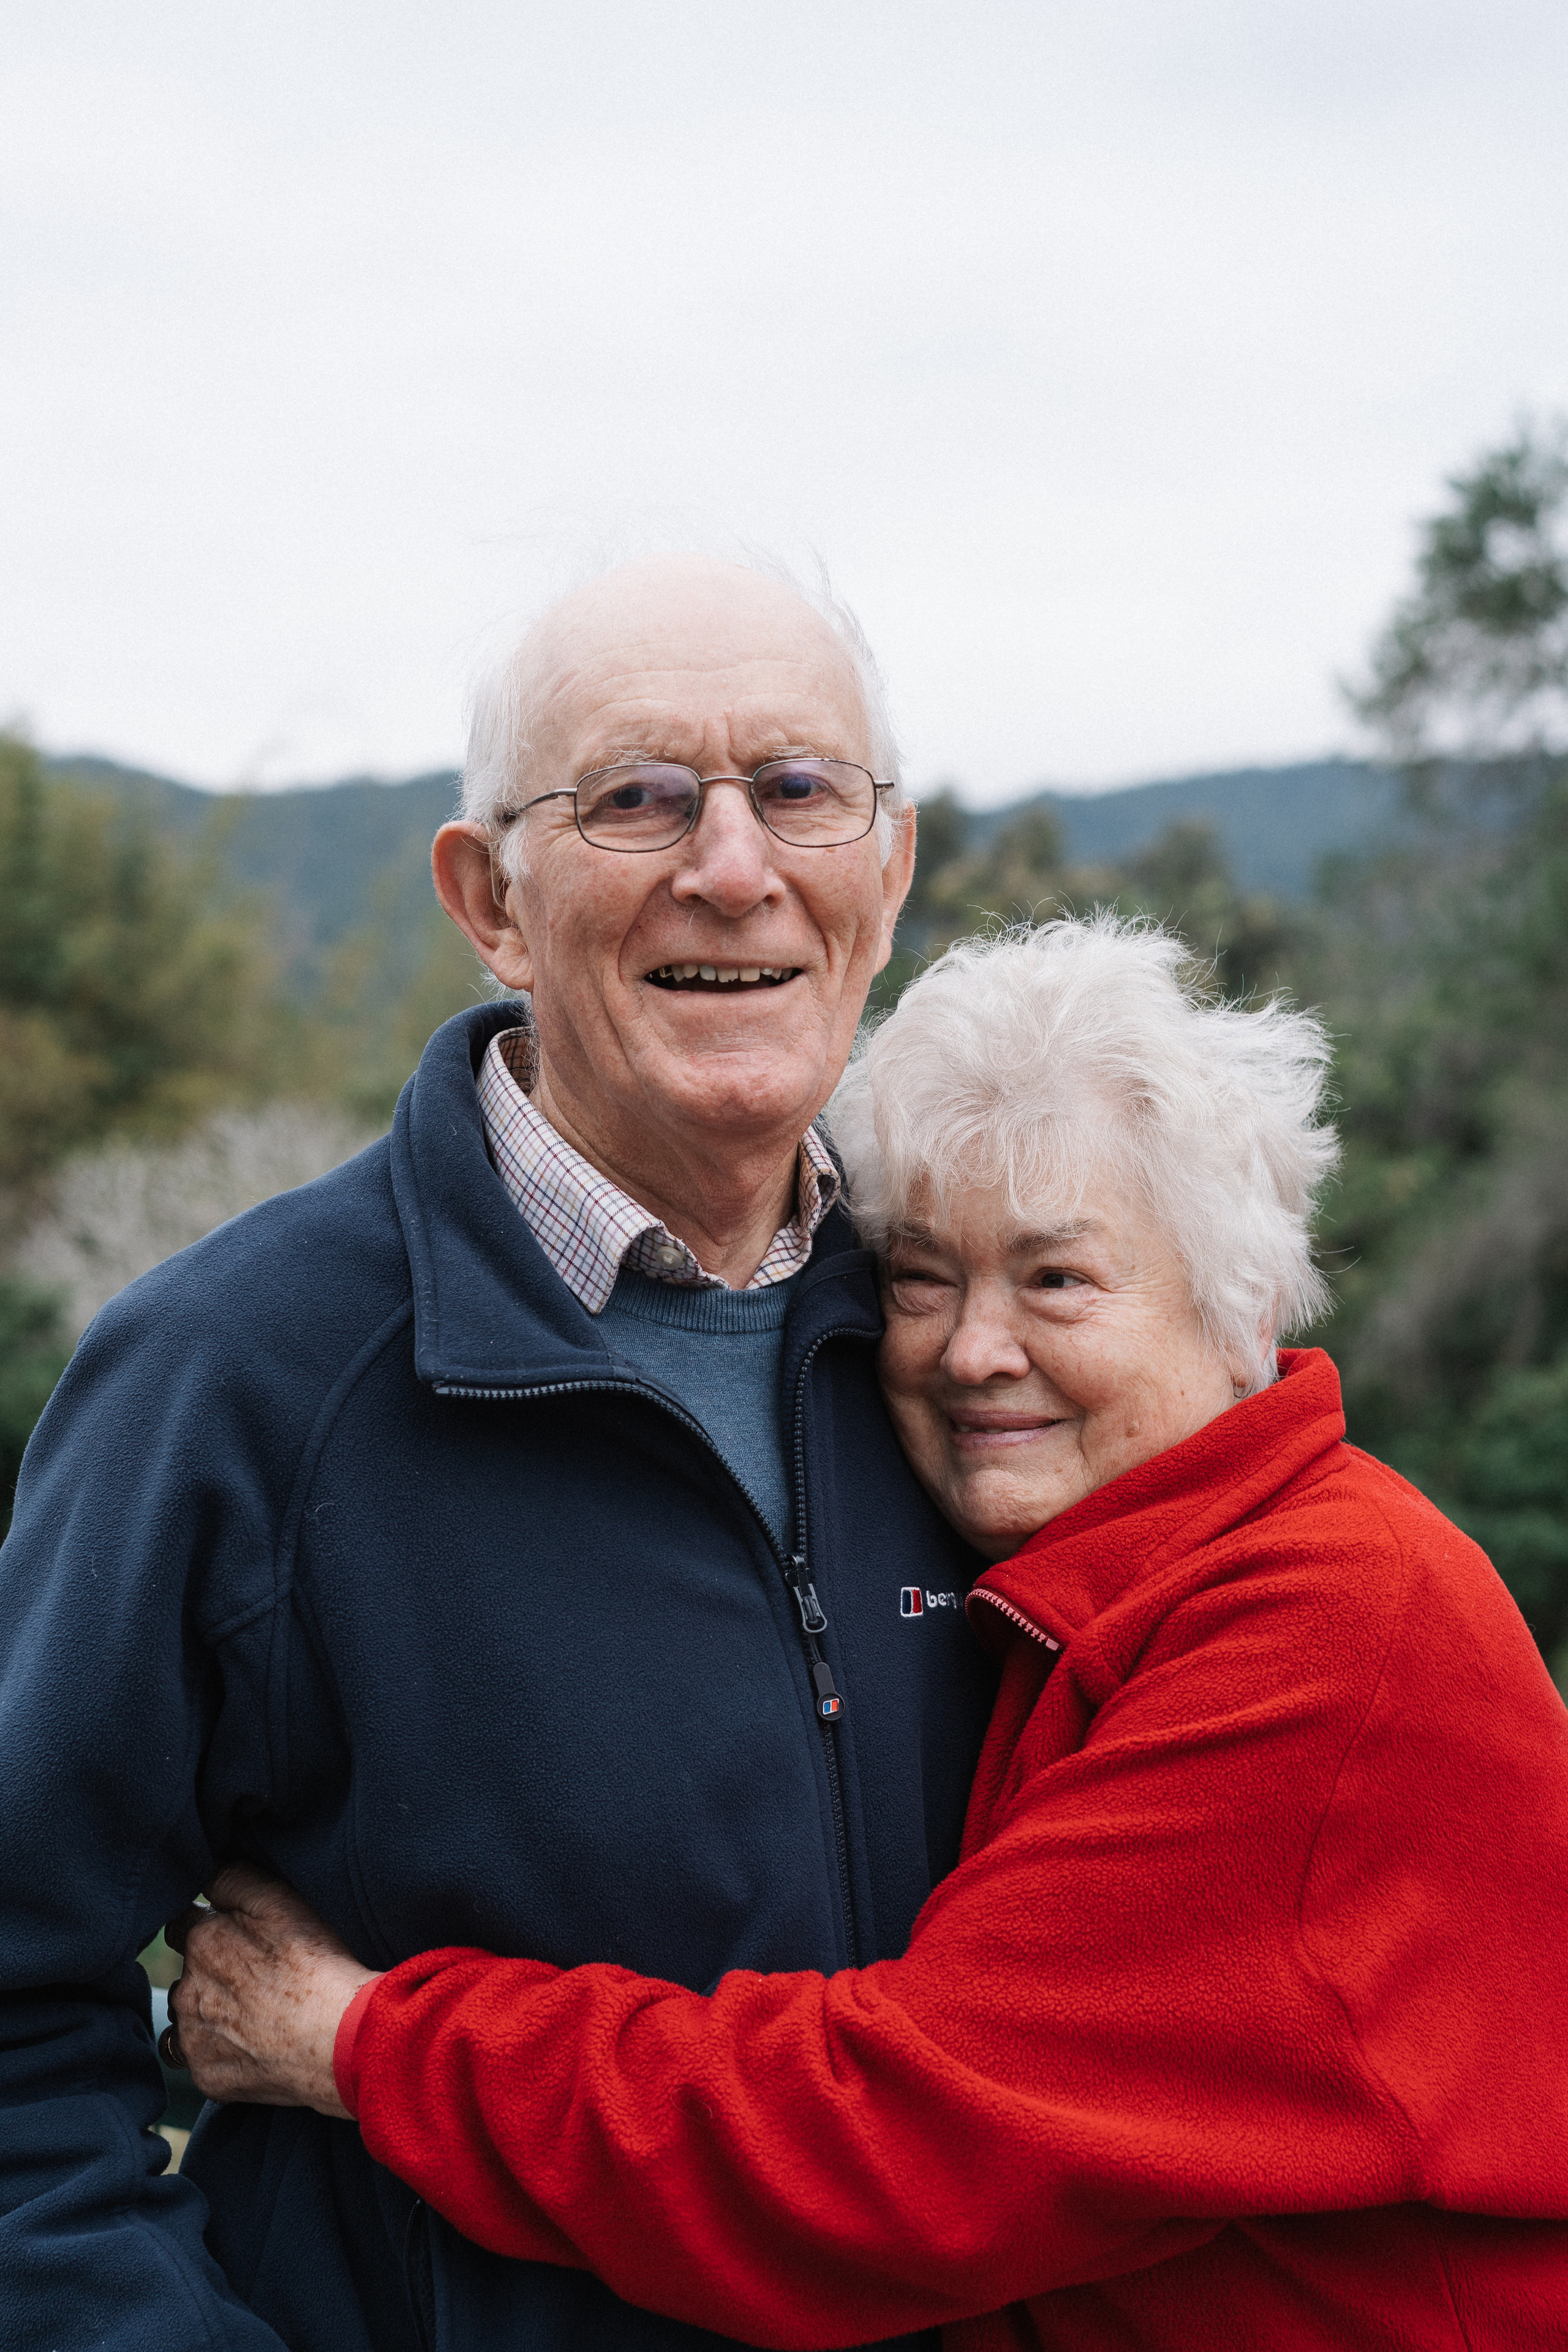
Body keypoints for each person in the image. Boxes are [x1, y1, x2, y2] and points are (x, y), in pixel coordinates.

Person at [171, 918, 1568, 2350]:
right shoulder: (1099, 1584)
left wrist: (362, 2041)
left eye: (1056, 1280)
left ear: (1241, 1309)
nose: (969, 1348)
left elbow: (894, 2151)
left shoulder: (1330, 1627)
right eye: (918, 1277)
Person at [0, 556, 998, 2352]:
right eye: (635, 797)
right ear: (491, 900)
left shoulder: (986, 1354)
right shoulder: (238, 1380)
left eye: (797, 789)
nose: (734, 864)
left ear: (890, 865)